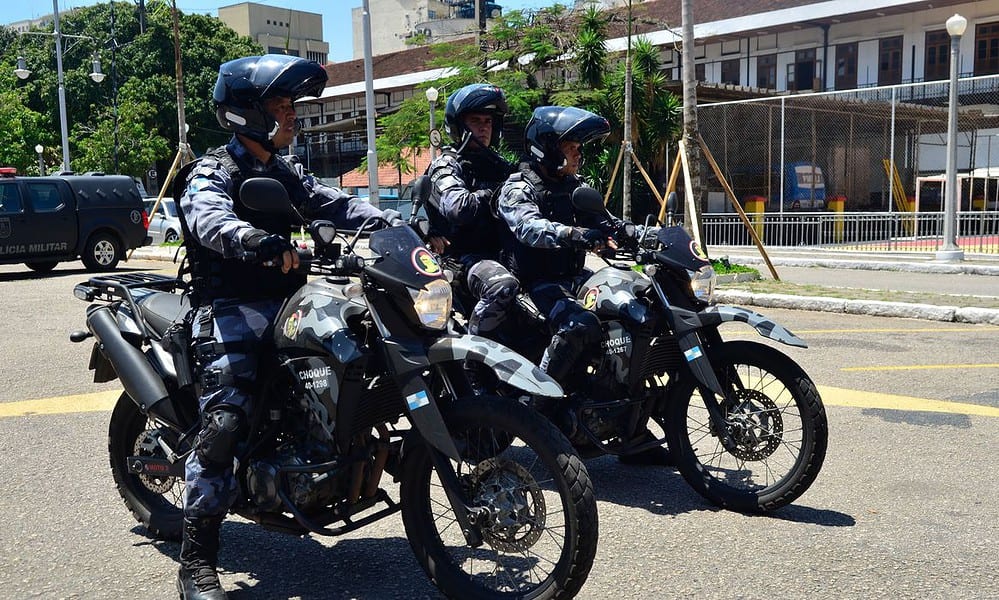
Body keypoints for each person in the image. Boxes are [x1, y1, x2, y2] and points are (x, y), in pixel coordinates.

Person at [173, 54, 402, 600]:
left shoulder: (285, 172)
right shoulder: (212, 171)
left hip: (289, 301)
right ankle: (197, 560)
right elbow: (209, 219)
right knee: (225, 421)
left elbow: (334, 204)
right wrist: (255, 241)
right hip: (231, 307)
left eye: (292, 105)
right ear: (245, 114)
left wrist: (395, 223)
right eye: (280, 105)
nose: (292, 116)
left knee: (362, 349)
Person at [496, 105, 672, 466]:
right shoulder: (518, 187)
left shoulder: (575, 188)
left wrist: (649, 234)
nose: (578, 153)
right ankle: (535, 414)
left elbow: (607, 223)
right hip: (534, 285)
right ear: (547, 146)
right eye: (571, 145)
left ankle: (631, 427)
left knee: (638, 314)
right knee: (578, 327)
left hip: (574, 279)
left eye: (578, 146)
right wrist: (576, 235)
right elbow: (529, 228)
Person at [424, 83, 519, 341]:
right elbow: (459, 207)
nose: (483, 127)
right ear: (459, 125)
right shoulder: (446, 164)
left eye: (488, 121)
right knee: (502, 286)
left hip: (503, 256)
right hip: (465, 261)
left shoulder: (499, 166)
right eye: (475, 121)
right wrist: (496, 194)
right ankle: (474, 363)